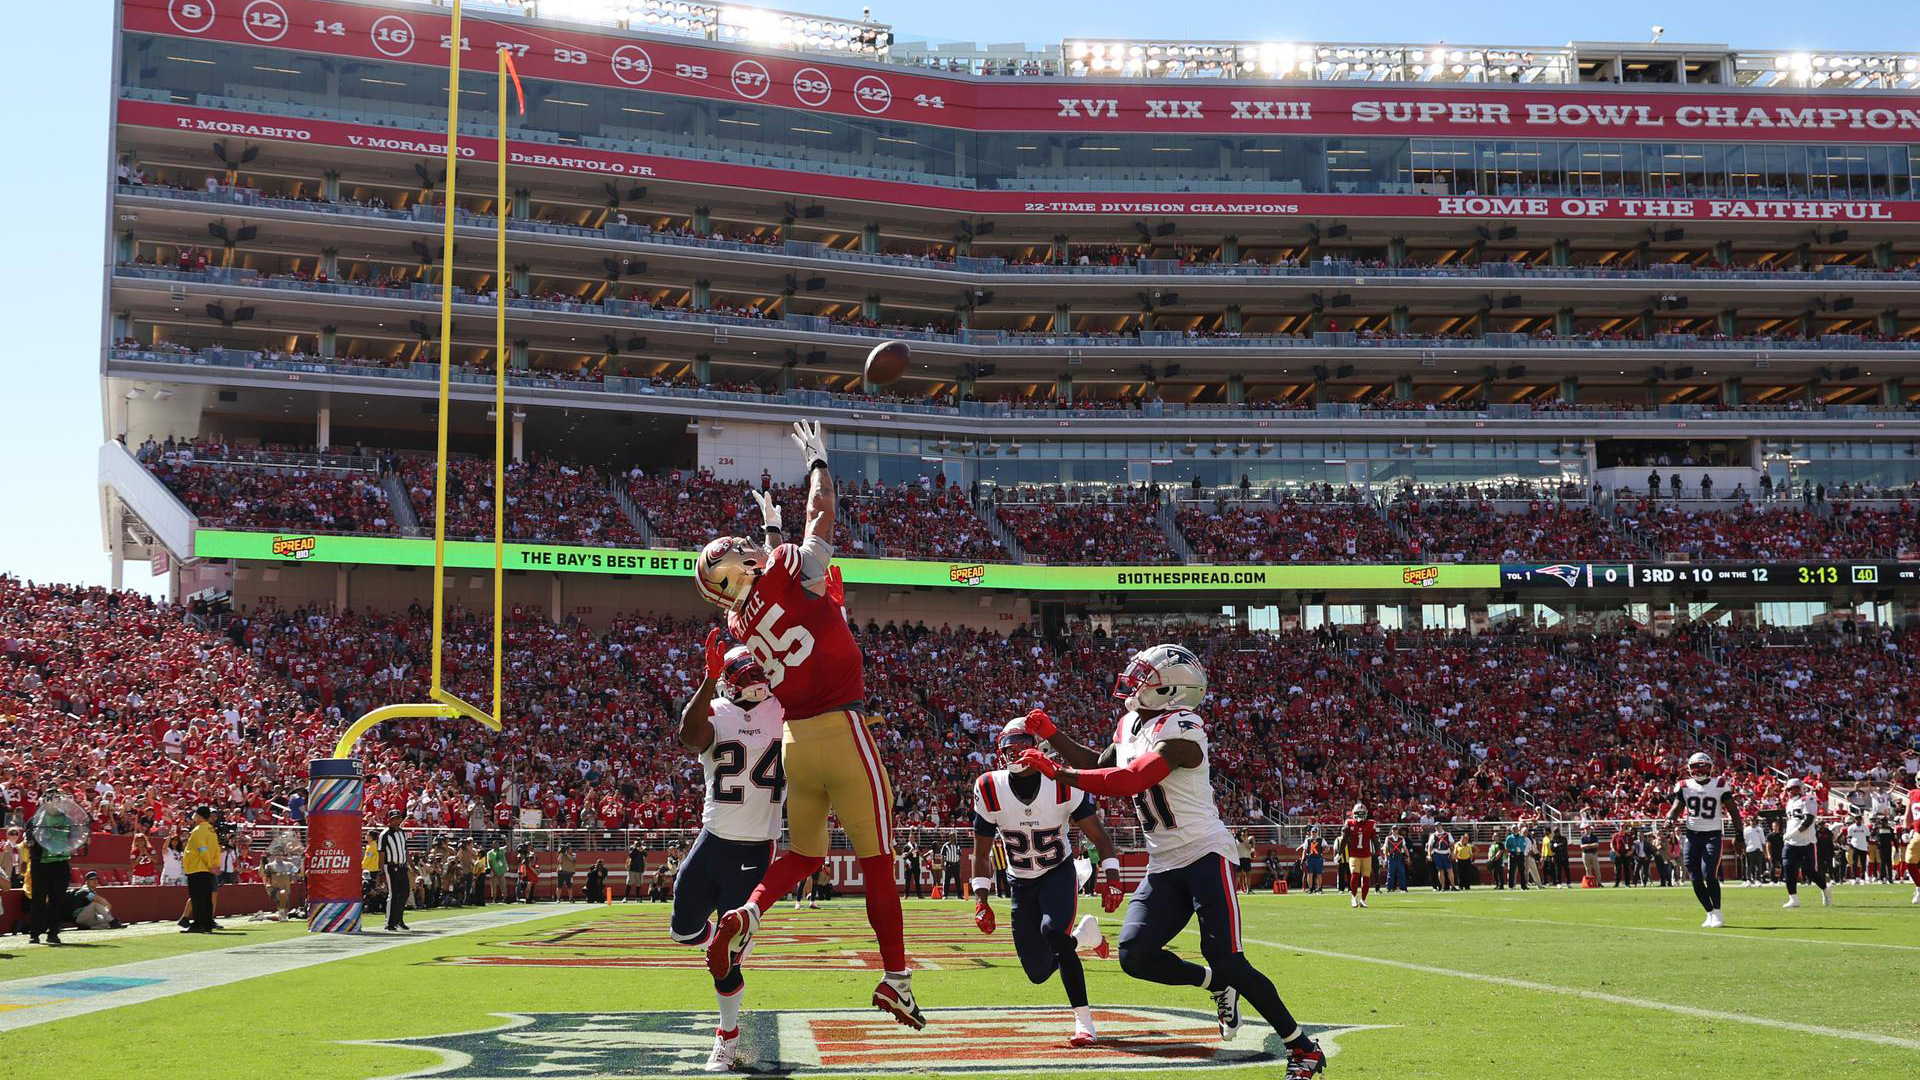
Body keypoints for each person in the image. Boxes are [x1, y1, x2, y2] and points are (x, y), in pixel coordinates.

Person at [700, 421, 921, 1030]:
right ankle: (896, 978)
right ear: (742, 563)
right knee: (878, 859)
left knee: (802, 852)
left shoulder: (736, 629)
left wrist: (770, 531)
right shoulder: (780, 568)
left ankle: (749, 911)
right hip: (843, 728)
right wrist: (818, 461)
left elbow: (771, 587)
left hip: (795, 741)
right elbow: (820, 521)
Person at [1018, 645, 1328, 1078]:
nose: (1135, 682)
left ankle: (1303, 1049)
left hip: (1204, 853)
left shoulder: (1185, 728)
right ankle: (1215, 985)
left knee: (1229, 958)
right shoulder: (1131, 723)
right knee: (1135, 955)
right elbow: (1100, 763)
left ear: (1173, 691)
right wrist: (1053, 735)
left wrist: (1058, 773)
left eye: (1147, 677)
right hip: (1163, 862)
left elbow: (1132, 780)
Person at [969, 715, 1124, 1048]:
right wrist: (981, 900)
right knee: (1038, 972)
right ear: (1001, 753)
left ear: (1038, 748)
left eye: (1024, 747)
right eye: (1011, 750)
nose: (1018, 755)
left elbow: (1099, 836)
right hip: (1020, 881)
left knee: (1052, 932)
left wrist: (1112, 877)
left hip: (1058, 872)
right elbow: (981, 853)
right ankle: (1085, 935)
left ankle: (1085, 1024)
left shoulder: (1062, 781)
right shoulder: (988, 786)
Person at [674, 636, 787, 1072]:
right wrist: (705, 680)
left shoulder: (784, 711)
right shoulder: (718, 712)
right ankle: (731, 945)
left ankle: (727, 1035)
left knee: (723, 958)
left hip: (756, 846)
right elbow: (689, 736)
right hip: (713, 838)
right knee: (683, 932)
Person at [1666, 752, 1741, 928]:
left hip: (1712, 834)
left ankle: (1718, 912)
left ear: (1710, 767)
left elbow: (1734, 811)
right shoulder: (1684, 785)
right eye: (1695, 766)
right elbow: (1676, 809)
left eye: (1702, 765)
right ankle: (1709, 912)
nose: (1699, 769)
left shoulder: (1720, 784)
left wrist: (1739, 835)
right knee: (1694, 876)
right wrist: (1669, 818)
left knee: (1709, 874)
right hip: (1692, 836)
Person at [1780, 778, 1831, 909]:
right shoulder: (1790, 802)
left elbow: (1809, 820)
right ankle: (1793, 899)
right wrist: (1790, 835)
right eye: (1790, 789)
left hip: (1806, 841)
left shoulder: (1808, 799)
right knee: (1788, 869)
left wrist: (1794, 833)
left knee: (1809, 871)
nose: (1792, 791)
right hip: (1791, 843)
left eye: (1795, 788)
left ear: (1800, 787)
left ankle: (1825, 889)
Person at [183, 806, 222, 933]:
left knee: (197, 898)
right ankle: (207, 923)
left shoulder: (198, 830)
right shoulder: (211, 830)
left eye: (195, 814)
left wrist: (210, 865)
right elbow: (216, 849)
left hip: (197, 868)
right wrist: (215, 865)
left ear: (199, 816)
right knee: (206, 898)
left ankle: (198, 924)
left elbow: (202, 849)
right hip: (207, 869)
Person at [377, 809, 410, 931]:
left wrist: (409, 865)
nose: (396, 821)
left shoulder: (402, 832)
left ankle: (398, 920)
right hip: (391, 866)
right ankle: (389, 923)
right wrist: (381, 871)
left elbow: (405, 850)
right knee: (394, 894)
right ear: (389, 821)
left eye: (398, 818)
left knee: (405, 893)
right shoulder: (384, 834)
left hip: (402, 866)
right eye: (394, 819)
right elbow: (381, 854)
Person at [1340, 804, 1376, 908]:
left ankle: (1363, 899)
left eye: (1362, 813)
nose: (1360, 815)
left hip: (1366, 855)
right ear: (1353, 814)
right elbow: (1344, 839)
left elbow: (1374, 839)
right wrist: (1339, 853)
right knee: (1355, 876)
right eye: (1358, 813)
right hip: (1354, 855)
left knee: (1366, 878)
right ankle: (1354, 897)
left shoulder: (1370, 824)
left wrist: (1378, 853)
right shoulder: (1350, 823)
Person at [1427, 826, 1454, 892]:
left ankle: (1452, 886)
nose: (1438, 828)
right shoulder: (1433, 835)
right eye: (1436, 827)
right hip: (1437, 853)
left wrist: (1452, 853)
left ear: (1441, 827)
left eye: (1439, 826)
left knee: (1450, 870)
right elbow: (1430, 846)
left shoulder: (1448, 834)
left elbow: (1452, 844)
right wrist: (1429, 855)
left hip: (1446, 853)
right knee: (1440, 870)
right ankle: (1443, 887)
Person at [1742, 820, 1767, 886]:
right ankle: (1748, 880)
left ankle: (1757, 880)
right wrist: (1744, 850)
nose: (1753, 822)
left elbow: (1763, 840)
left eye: (1754, 820)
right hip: (1749, 850)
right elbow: (1745, 840)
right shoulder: (1746, 830)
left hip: (1758, 850)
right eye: (1751, 821)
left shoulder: (1760, 829)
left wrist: (1764, 851)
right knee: (1748, 866)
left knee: (1758, 866)